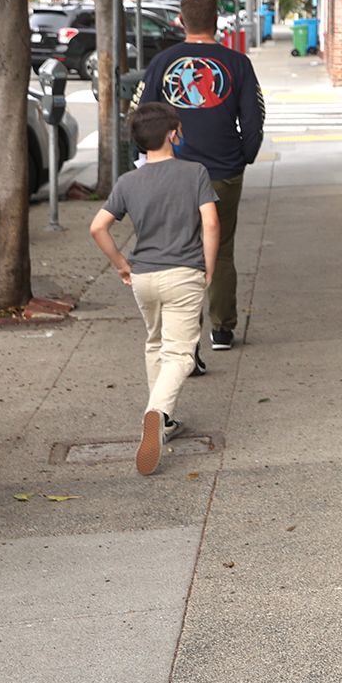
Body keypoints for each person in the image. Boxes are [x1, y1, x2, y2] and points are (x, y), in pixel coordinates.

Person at [89, 104, 219, 476]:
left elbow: (98, 227)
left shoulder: (128, 182)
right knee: (181, 355)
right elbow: (210, 224)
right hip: (183, 273)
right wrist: (207, 268)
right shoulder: (194, 173)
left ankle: (163, 421)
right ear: (172, 134)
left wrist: (121, 265)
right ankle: (157, 413)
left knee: (155, 343)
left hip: (143, 277)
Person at [135, 0, 264, 351]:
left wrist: (145, 159)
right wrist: (243, 156)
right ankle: (222, 330)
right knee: (220, 250)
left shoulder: (163, 62)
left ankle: (184, 340)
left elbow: (141, 117)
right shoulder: (238, 64)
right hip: (223, 171)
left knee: (179, 254)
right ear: (218, 21)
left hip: (173, 172)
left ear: (180, 20)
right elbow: (254, 121)